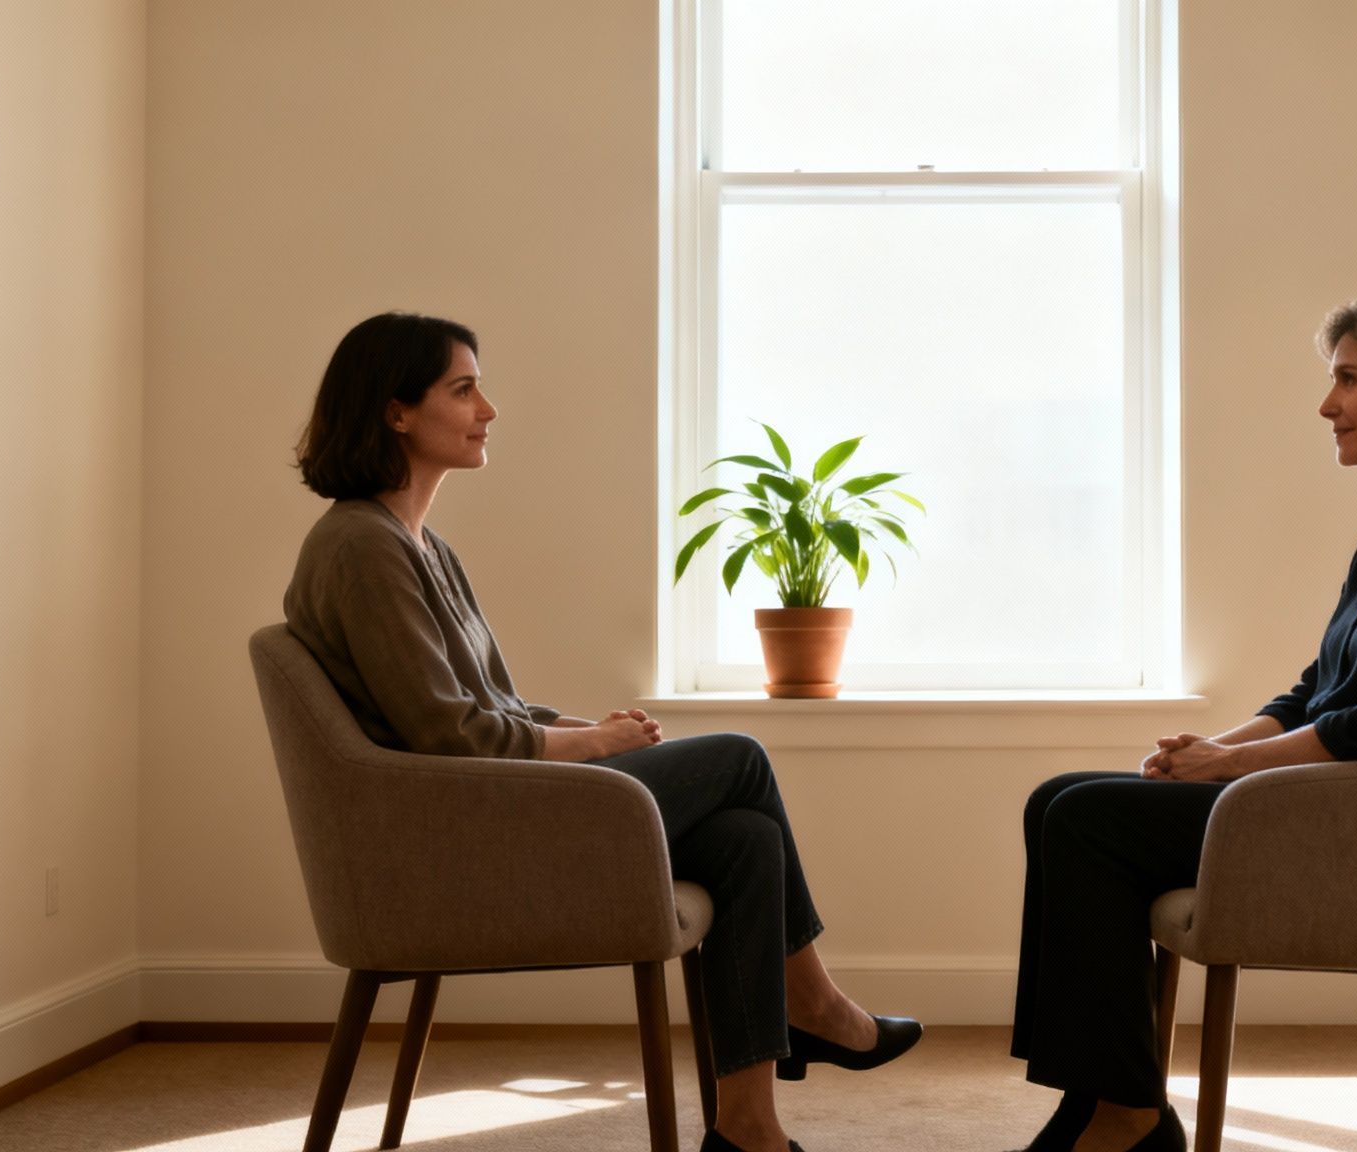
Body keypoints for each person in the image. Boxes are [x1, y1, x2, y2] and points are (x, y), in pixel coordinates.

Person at [283, 312, 920, 1152]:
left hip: (484, 807)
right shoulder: (363, 548)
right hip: (453, 841)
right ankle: (815, 1007)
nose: (490, 409)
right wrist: (593, 749)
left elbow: (492, 705)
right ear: (396, 411)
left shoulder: (419, 544)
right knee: (739, 757)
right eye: (463, 389)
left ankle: (750, 1130)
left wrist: (585, 728)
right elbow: (451, 739)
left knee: (741, 840)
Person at [1008, 295, 1357, 1152]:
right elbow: (1315, 692)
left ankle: (1124, 1115)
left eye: (1348, 379)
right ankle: (1102, 1098)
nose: (1326, 405)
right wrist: (1219, 747)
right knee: (1059, 797)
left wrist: (1229, 772)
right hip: (1335, 798)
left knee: (1086, 818)